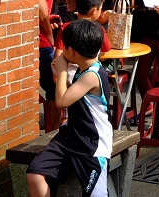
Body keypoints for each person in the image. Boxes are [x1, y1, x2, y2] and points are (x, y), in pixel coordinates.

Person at [26, 20, 112, 197]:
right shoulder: (84, 69)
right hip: (70, 137)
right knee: (35, 173)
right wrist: (62, 77)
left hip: (92, 144)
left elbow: (62, 102)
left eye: (64, 47)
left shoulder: (92, 75)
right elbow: (74, 94)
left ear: (71, 51)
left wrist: (62, 70)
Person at [38, 0, 61, 132]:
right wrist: (49, 33)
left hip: (37, 41)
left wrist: (46, 19)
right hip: (43, 44)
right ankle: (54, 132)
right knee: (55, 87)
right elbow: (39, 0)